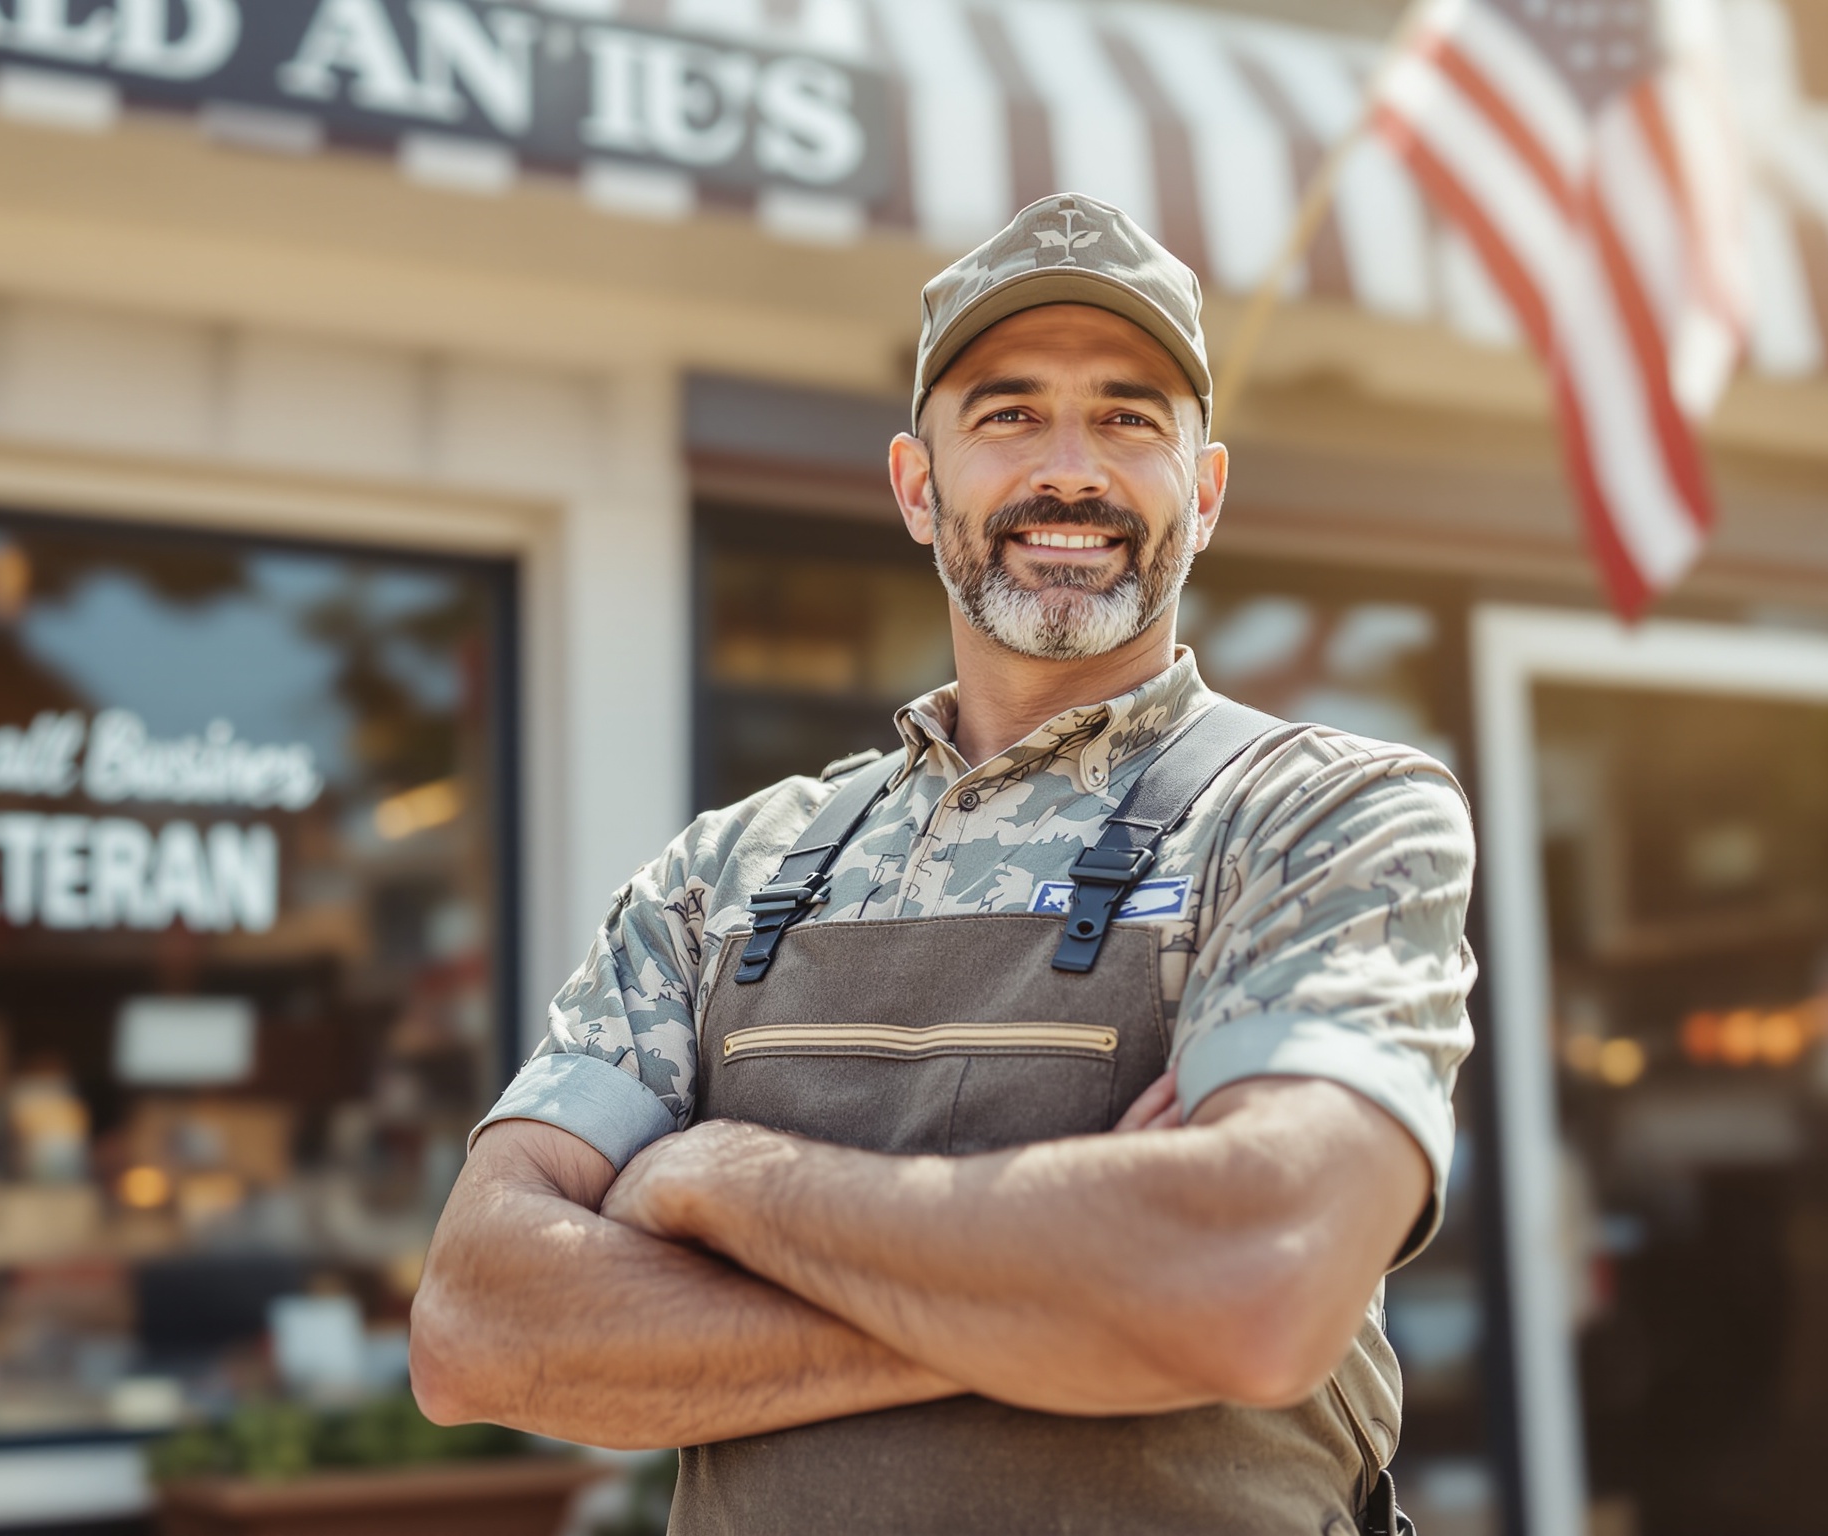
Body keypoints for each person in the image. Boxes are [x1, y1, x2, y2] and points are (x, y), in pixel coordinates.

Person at [409, 192, 1476, 1534]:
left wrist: (724, 1183)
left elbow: (1261, 1282)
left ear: (1201, 496)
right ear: (920, 486)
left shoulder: (1326, 818)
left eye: (1130, 417)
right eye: (1009, 412)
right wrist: (1095, 1306)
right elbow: (475, 1329)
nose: (1071, 470)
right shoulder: (727, 874)